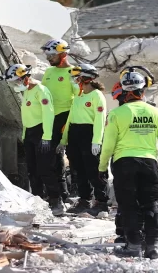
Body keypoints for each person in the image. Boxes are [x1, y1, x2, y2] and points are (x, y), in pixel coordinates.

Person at [99, 67, 158, 259]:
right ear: (143, 90)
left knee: (128, 205)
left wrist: (102, 168)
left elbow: (108, 145)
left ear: (124, 90)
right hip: (149, 164)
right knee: (150, 205)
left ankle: (133, 246)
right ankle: (152, 247)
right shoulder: (156, 113)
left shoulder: (117, 114)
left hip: (124, 164)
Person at [0, 63, 65, 215]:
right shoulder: (27, 92)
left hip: (42, 132)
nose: (15, 85)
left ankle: (56, 201)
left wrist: (47, 137)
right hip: (30, 133)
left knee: (45, 169)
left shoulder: (40, 90)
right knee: (32, 171)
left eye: (16, 81)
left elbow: (48, 114)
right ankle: (38, 199)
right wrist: (25, 135)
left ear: (25, 78)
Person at [57, 64, 108, 215]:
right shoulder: (79, 96)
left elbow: (100, 119)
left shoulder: (97, 95)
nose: (75, 80)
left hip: (89, 133)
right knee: (78, 170)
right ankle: (84, 200)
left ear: (85, 78)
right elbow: (70, 119)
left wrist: (96, 141)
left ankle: (101, 202)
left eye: (77, 77)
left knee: (94, 170)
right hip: (75, 133)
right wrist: (64, 140)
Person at [40, 39, 80, 202]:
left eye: (52, 55)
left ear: (63, 54)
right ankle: (60, 194)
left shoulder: (74, 71)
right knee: (52, 157)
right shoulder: (49, 72)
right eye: (48, 55)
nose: (49, 58)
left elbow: (78, 97)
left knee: (74, 155)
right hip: (50, 118)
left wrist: (69, 122)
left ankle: (79, 193)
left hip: (67, 116)